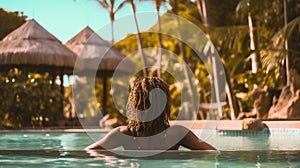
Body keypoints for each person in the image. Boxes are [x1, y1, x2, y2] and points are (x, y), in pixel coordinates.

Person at [85, 77, 216, 150]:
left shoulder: (124, 134)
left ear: (135, 105)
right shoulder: (177, 133)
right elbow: (214, 154)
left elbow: (87, 153)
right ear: (165, 105)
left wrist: (112, 160)